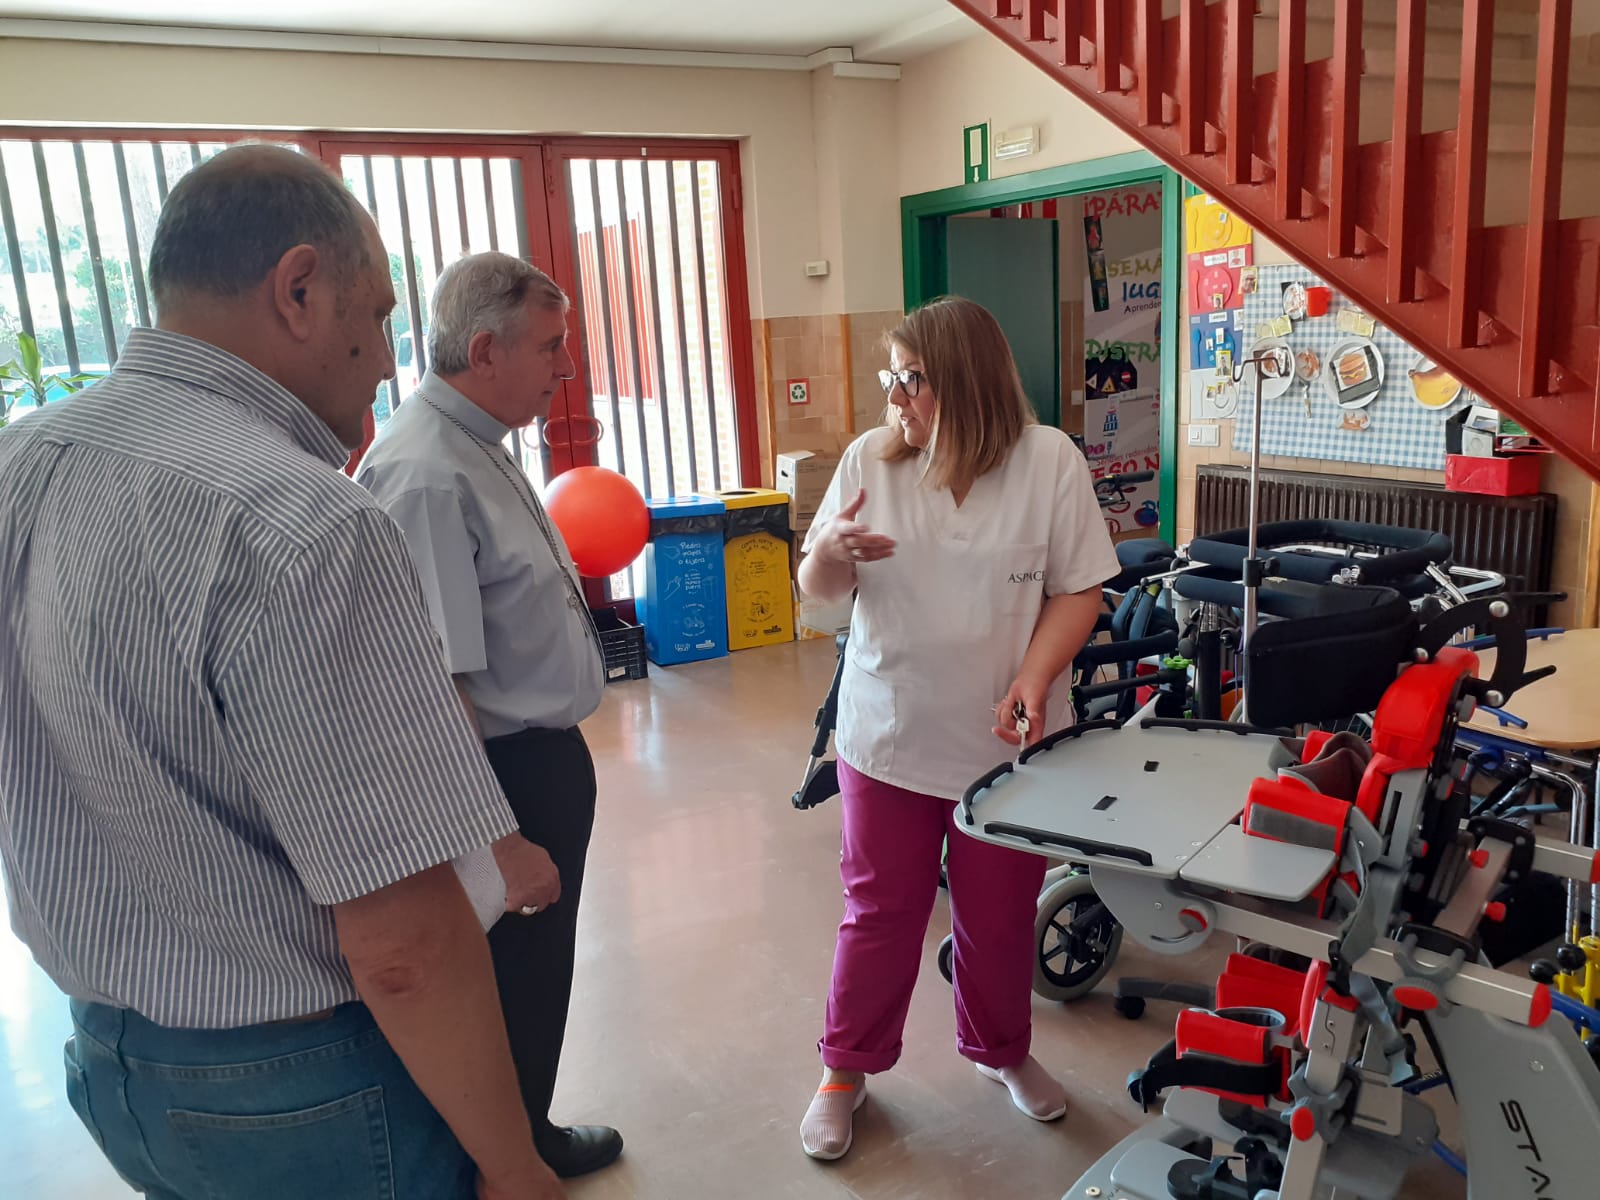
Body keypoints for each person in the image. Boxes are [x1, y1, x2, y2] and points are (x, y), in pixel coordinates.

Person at [0, 144, 569, 1200]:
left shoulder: (21, 462)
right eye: (381, 315)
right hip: (299, 1085)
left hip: (113, 1063)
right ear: (299, 290)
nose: (389, 358)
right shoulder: (301, 520)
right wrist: (513, 1164)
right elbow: (401, 942)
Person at [794, 296, 1120, 1160]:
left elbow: (1077, 589)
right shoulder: (873, 460)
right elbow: (817, 592)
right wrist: (828, 555)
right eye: (891, 377)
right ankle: (844, 1069)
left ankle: (1000, 1050)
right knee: (881, 910)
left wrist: (1034, 676)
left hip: (1006, 745)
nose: (893, 396)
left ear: (966, 381)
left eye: (911, 378)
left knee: (1001, 915)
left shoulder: (1048, 463)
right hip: (891, 734)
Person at [355, 252, 621, 1179]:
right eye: (550, 347)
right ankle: (500, 1161)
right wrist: (500, 841)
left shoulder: (477, 442)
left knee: (538, 971)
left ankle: (524, 1133)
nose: (564, 368)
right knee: (511, 978)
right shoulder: (426, 474)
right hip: (499, 774)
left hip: (537, 758)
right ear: (483, 350)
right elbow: (438, 684)